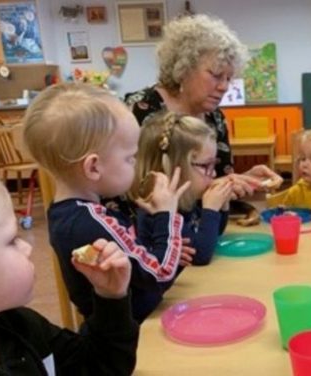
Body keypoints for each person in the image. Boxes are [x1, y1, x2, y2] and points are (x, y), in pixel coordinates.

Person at [23, 82, 190, 323]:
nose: (134, 163)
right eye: (130, 158)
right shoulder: (91, 222)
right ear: (93, 167)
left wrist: (154, 224)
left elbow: (136, 257)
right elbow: (159, 273)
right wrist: (167, 214)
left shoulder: (67, 213)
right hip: (138, 328)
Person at [0, 149, 139, 375]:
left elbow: (98, 366)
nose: (27, 247)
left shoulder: (20, 326)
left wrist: (110, 297)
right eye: (11, 241)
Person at [124, 14, 282, 200]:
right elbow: (130, 187)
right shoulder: (139, 109)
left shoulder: (215, 118)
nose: (224, 87)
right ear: (184, 68)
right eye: (216, 75)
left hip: (203, 225)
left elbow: (216, 181)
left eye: (229, 78)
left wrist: (243, 181)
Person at [131, 112, 234, 266]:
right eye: (206, 165)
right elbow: (199, 255)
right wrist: (211, 210)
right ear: (173, 169)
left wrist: (222, 205)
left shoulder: (186, 197)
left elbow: (213, 233)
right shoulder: (157, 211)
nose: (213, 173)